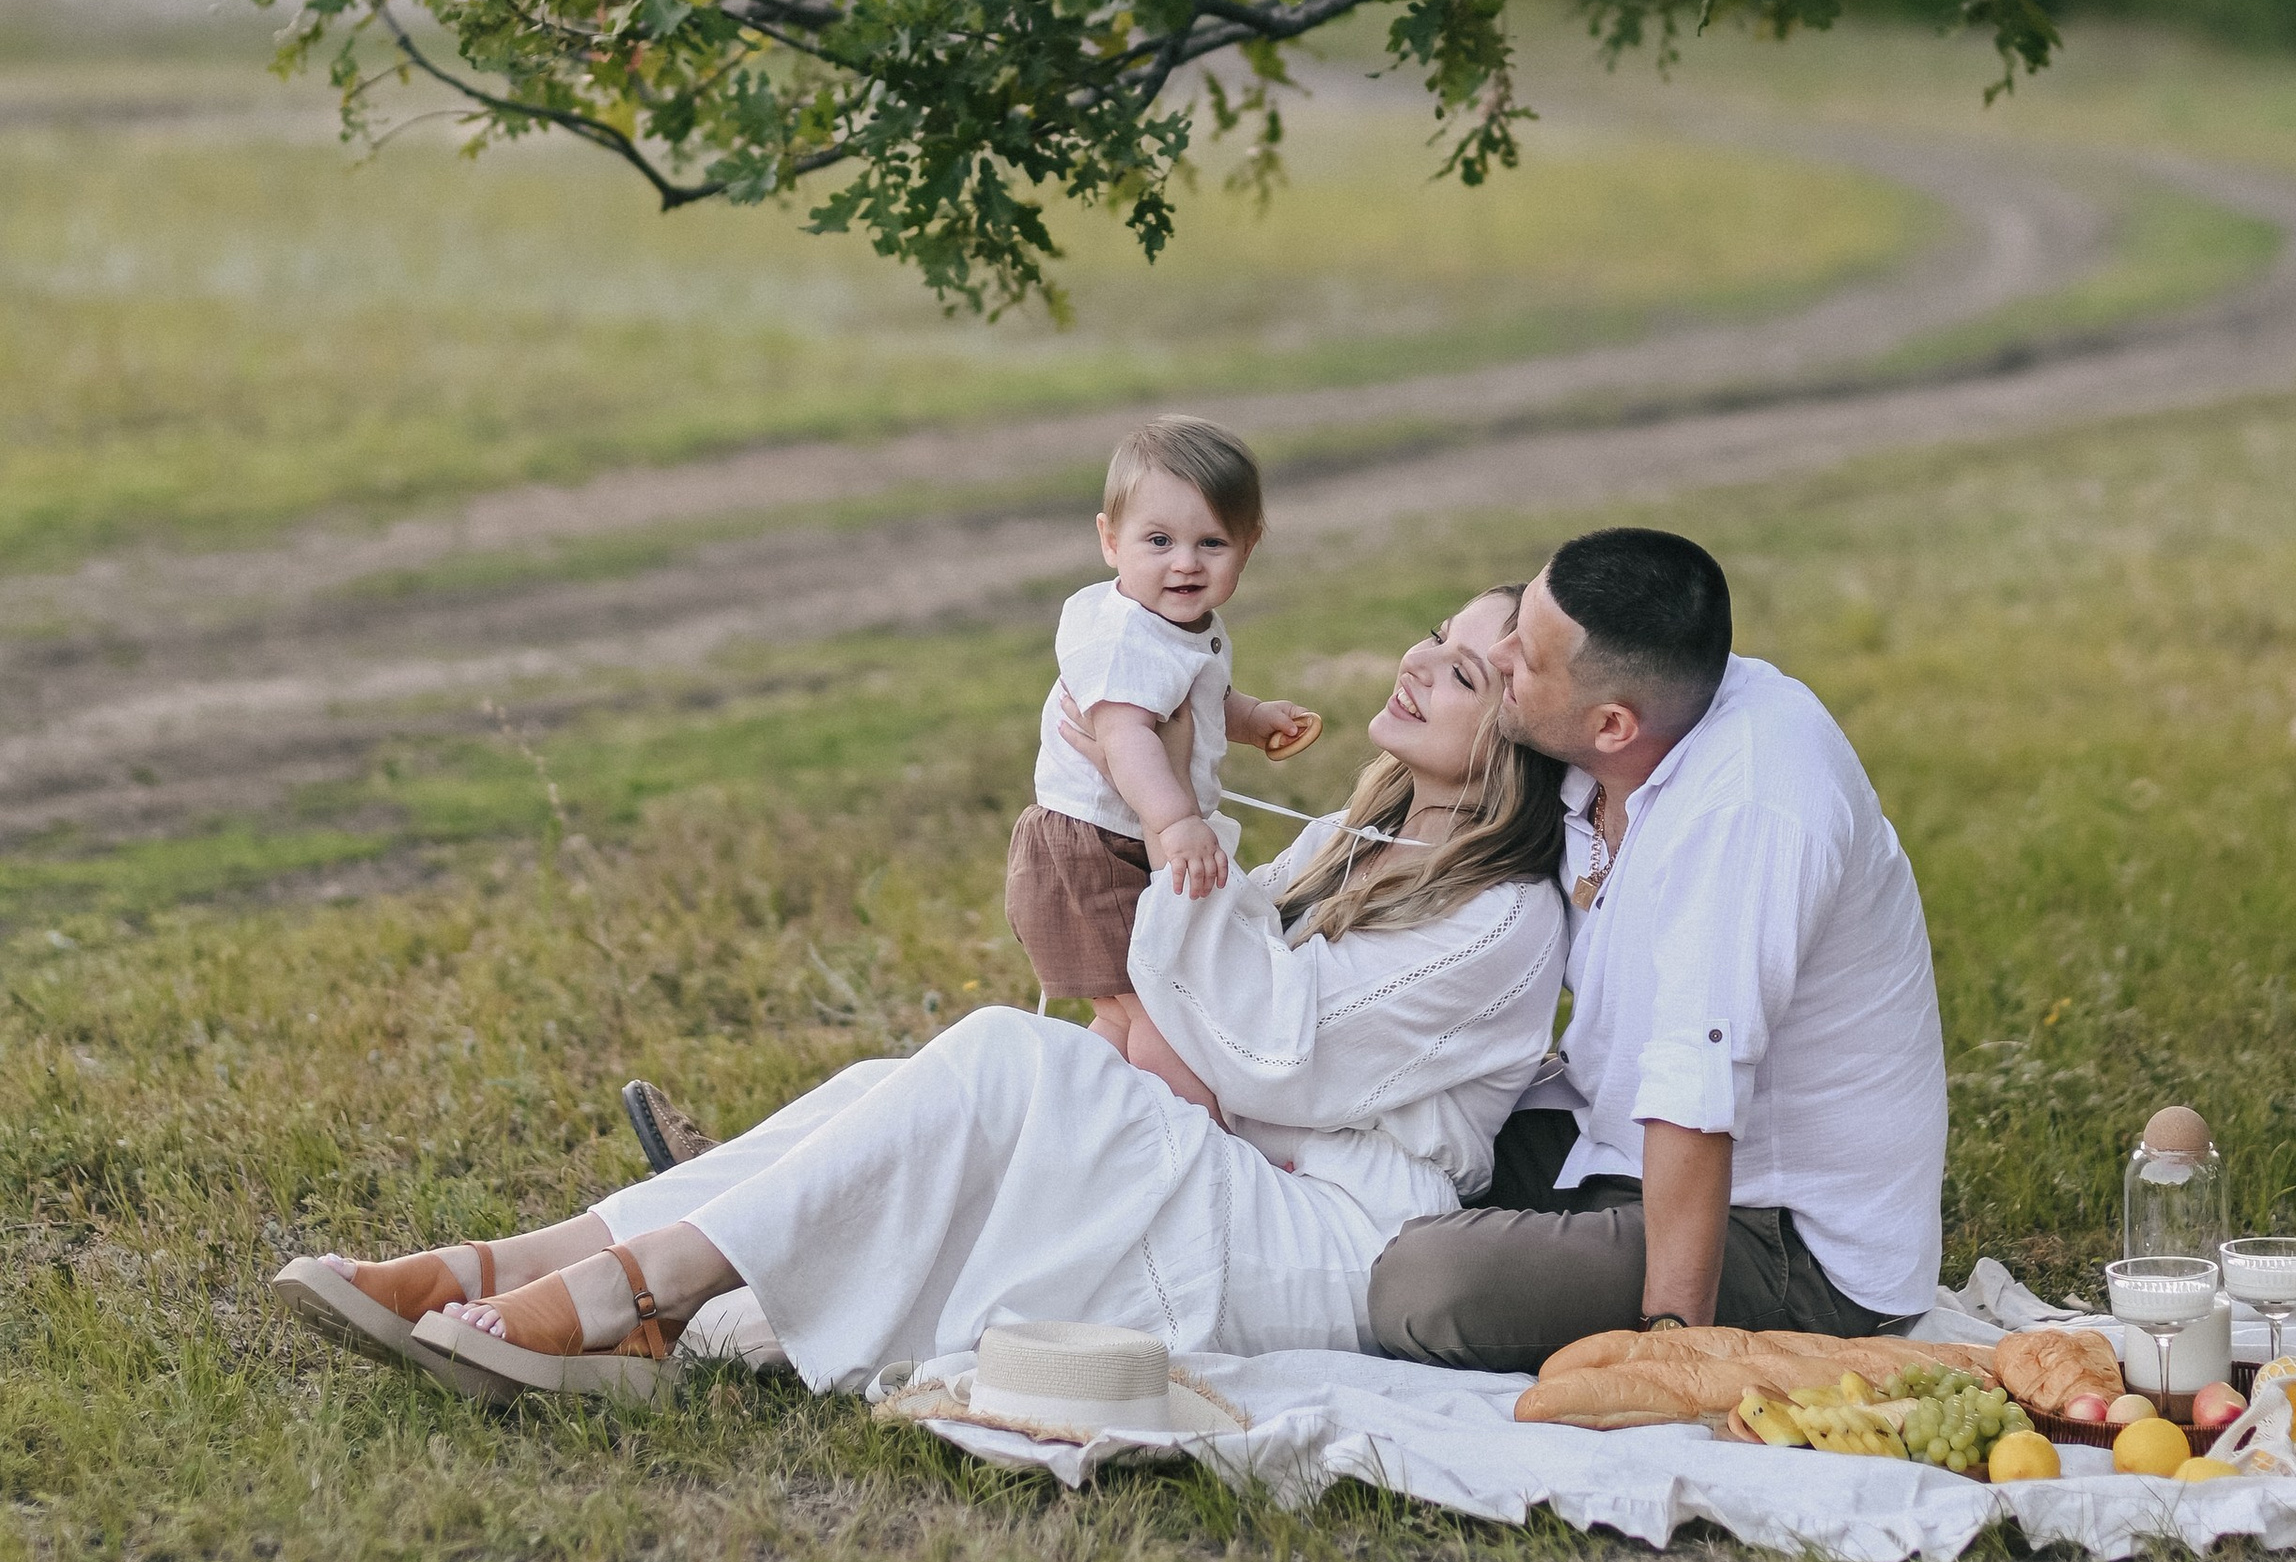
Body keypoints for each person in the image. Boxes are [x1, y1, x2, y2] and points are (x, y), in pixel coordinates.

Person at [276, 592, 1568, 1404]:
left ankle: (637, 1296)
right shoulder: (1356, 838)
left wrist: (1183, 839)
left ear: (1516, 739)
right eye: (1439, 636)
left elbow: (1265, 1057)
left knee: (1014, 1058)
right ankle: (540, 1262)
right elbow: (1207, 1004)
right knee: (882, 1090)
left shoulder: (1503, 918)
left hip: (1321, 1239)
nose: (1419, 661)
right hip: (1237, 1163)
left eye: (1465, 672)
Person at [1366, 526, 1946, 1372]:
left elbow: (1696, 1088)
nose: (1497, 658)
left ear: (1612, 725)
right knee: (1398, 1144)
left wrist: (1673, 1353)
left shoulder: (1750, 811)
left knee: (1423, 1286)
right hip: (1609, 1139)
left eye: (1522, 658)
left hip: (1785, 1239)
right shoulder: (1615, 739)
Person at [1002, 416, 1323, 1037]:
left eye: (1212, 543)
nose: (1186, 564)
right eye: (1158, 541)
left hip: (1125, 835)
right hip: (1091, 847)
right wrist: (1176, 823)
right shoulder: (1124, 638)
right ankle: (1164, 1113)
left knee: (1134, 1011)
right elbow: (1125, 739)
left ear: (1248, 546)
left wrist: (1253, 720)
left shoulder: (1183, 623)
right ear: (1110, 541)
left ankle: (1088, 1105)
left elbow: (1195, 698)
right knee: (1150, 1005)